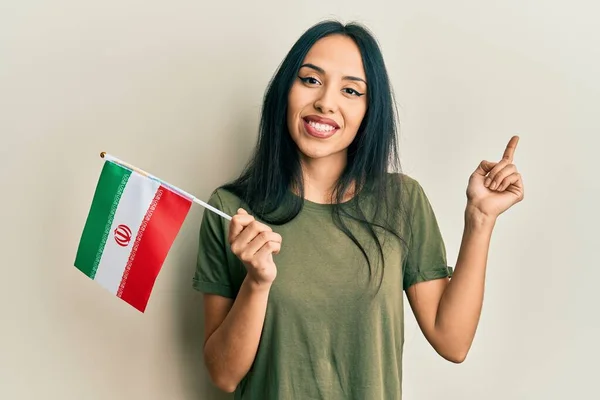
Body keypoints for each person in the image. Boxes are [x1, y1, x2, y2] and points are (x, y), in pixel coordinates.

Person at [192, 19, 524, 400]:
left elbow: (452, 342)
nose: (326, 102)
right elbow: (223, 375)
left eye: (351, 90)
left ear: (370, 110)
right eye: (311, 80)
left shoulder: (401, 201)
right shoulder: (232, 210)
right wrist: (257, 282)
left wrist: (480, 219)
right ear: (286, 91)